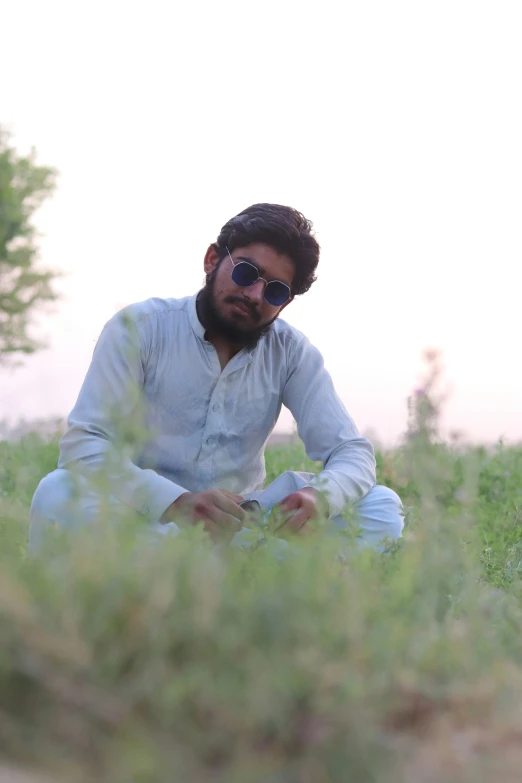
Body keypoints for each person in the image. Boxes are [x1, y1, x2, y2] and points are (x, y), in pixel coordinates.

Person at [29, 203, 404, 554]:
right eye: (246, 272)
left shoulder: (291, 353)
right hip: (147, 517)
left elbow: (352, 453)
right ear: (212, 260)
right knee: (56, 492)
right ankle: (238, 577)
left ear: (285, 303)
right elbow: (84, 445)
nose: (255, 294)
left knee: (381, 507)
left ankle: (217, 571)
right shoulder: (140, 329)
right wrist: (175, 503)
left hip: (242, 526)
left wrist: (319, 499)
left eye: (275, 291)